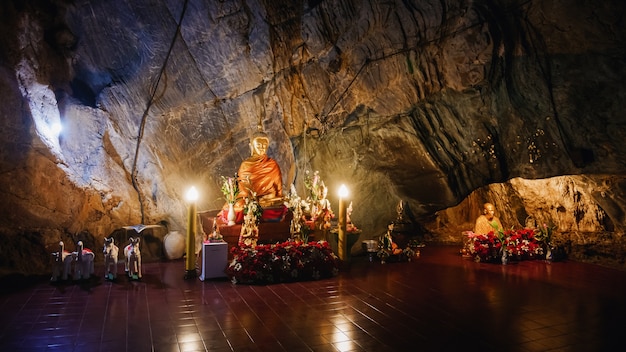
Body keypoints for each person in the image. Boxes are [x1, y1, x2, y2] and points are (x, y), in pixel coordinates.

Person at [236, 129, 284, 208]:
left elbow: (279, 191)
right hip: (250, 200)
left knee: (277, 201)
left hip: (268, 199)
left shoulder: (272, 165)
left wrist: (273, 197)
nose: (262, 147)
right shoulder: (245, 165)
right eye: (258, 145)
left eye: (264, 145)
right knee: (239, 204)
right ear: (252, 146)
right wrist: (251, 198)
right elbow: (242, 190)